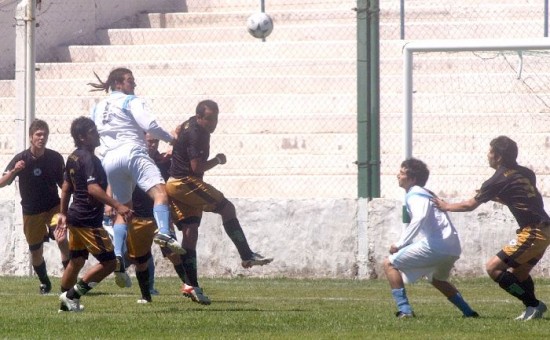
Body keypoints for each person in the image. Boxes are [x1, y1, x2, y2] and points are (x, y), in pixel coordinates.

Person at [167, 99, 273, 305]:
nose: (214, 123)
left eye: (216, 118)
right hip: (185, 182)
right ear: (199, 117)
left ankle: (191, 285)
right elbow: (197, 168)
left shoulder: (192, 124)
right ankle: (246, 255)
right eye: (209, 119)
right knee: (227, 208)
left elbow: (179, 128)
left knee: (190, 234)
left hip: (176, 182)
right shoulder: (197, 133)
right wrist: (217, 160)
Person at [434, 136, 550, 321]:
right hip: (545, 229)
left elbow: (469, 205)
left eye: (490, 152)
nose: (487, 155)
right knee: (519, 274)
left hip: (534, 231)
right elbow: (524, 198)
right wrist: (500, 198)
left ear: (498, 157)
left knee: (493, 268)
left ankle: (535, 304)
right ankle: (531, 308)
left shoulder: (495, 180)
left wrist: (445, 206)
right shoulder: (527, 173)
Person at [88, 67, 185, 283]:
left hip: (110, 160)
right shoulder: (130, 100)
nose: (134, 85)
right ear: (118, 84)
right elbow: (149, 125)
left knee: (124, 209)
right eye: (130, 81)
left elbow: (89, 131)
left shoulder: (97, 108)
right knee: (160, 193)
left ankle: (119, 255)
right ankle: (164, 233)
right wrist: (171, 139)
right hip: (132, 152)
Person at [384, 158, 478, 318]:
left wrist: (400, 244)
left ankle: (405, 310)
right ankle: (469, 312)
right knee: (437, 279)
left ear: (412, 179)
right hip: (453, 247)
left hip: (438, 246)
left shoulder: (415, 193)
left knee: (389, 264)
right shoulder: (425, 193)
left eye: (401, 172)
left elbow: (419, 218)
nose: (397, 175)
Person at [57, 116, 132, 312]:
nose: (97, 134)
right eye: (92, 132)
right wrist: (118, 205)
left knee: (77, 261)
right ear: (82, 137)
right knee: (108, 263)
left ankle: (64, 304)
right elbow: (93, 189)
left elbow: (66, 188)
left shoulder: (73, 156)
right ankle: (72, 296)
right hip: (87, 219)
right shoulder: (88, 158)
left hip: (75, 216)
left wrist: (63, 213)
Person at [118, 133, 190, 303]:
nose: (152, 145)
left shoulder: (164, 162)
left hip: (160, 218)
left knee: (173, 253)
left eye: (155, 142)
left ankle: (190, 285)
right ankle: (146, 296)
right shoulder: (131, 162)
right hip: (138, 217)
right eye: (149, 141)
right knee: (140, 260)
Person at [0, 119, 69, 294]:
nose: (42, 137)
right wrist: (15, 170)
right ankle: (45, 282)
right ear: (31, 137)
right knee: (36, 251)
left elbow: (64, 185)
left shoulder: (54, 158)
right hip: (31, 211)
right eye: (38, 134)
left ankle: (69, 279)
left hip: (53, 207)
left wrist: (67, 207)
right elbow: (1, 183)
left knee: (62, 240)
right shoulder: (21, 159)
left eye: (45, 134)